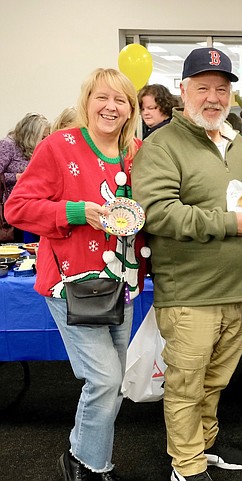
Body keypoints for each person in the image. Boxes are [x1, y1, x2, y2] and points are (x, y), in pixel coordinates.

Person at [5, 68, 147, 481]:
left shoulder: (136, 152)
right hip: (72, 285)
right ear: (86, 101)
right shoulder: (58, 146)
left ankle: (84, 458)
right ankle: (88, 463)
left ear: (131, 110)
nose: (111, 106)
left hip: (122, 286)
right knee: (104, 379)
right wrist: (77, 211)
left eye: (121, 100)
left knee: (111, 382)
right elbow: (16, 208)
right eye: (102, 97)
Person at [133, 47, 242, 481]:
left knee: (214, 379)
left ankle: (205, 445)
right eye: (203, 87)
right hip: (190, 291)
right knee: (186, 384)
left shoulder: (238, 143)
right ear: (183, 90)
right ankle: (185, 466)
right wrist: (229, 223)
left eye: (222, 88)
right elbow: (157, 213)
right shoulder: (161, 145)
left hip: (238, 289)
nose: (213, 97)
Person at [0, 112, 50, 200]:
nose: (44, 141)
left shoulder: (38, 148)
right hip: (9, 202)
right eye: (42, 137)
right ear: (30, 136)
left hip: (30, 201)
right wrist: (16, 177)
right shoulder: (8, 145)